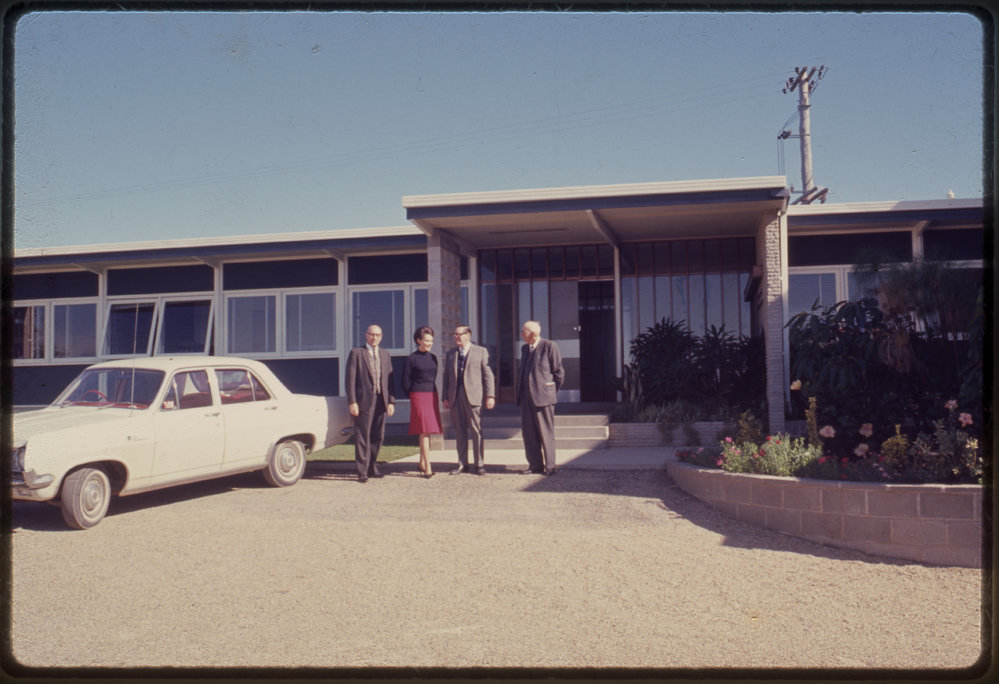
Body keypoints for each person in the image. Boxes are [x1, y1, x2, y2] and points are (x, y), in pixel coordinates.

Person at [442, 324, 495, 475]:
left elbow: (488, 376)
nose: (456, 337)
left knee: (476, 430)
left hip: (473, 397)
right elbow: (446, 377)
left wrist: (490, 395)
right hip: (455, 397)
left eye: (459, 334)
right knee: (460, 432)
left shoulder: (480, 352)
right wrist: (445, 397)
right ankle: (462, 463)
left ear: (468, 335)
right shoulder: (451, 354)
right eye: (455, 334)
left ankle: (479, 464)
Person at [345, 324, 395, 483]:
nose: (375, 337)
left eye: (378, 335)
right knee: (362, 435)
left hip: (381, 400)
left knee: (378, 436)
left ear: (381, 337)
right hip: (364, 400)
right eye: (372, 334)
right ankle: (362, 471)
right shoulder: (356, 353)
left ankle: (372, 466)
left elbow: (390, 381)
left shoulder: (385, 354)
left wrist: (391, 401)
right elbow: (350, 380)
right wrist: (352, 401)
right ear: (366, 335)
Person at [516, 320, 564, 475]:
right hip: (526, 398)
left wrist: (550, 391)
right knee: (529, 434)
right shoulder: (525, 349)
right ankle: (535, 465)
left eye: (524, 331)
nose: (521, 334)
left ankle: (550, 466)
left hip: (543, 397)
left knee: (546, 433)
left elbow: (558, 372)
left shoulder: (549, 346)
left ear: (533, 333)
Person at [402, 325, 442, 478]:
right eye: (426, 340)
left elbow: (433, 377)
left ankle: (422, 462)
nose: (429, 343)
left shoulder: (433, 358)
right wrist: (413, 396)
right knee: (424, 431)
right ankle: (428, 468)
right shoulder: (411, 359)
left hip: (432, 395)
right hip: (418, 396)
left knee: (428, 431)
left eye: (431, 341)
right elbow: (405, 382)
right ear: (418, 340)